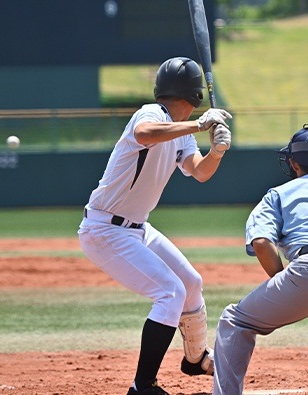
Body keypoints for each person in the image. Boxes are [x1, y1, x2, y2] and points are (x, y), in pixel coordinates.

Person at [78, 56, 232, 395]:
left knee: (190, 283)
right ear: (194, 98)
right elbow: (146, 134)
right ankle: (143, 385)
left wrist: (216, 152)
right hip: (105, 230)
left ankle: (194, 359)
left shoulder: (180, 133)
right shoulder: (150, 114)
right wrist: (199, 125)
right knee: (170, 292)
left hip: (137, 229)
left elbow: (200, 172)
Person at [213, 124, 308, 395]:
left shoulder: (279, 194)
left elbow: (262, 242)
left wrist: (288, 286)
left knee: (235, 320)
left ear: (292, 161)